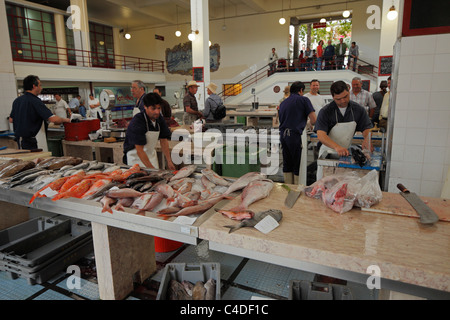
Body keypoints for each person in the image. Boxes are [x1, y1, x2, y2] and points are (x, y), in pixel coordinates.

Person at [314, 80, 373, 179]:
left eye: (345, 97)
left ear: (348, 91)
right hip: (328, 152)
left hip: (346, 153)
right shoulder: (325, 111)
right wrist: (337, 147)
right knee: (325, 185)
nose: (343, 101)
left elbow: (366, 127)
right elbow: (321, 135)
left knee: (343, 184)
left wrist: (367, 139)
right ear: (333, 97)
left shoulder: (358, 109)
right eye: (338, 99)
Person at [9, 75, 70, 150]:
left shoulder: (17, 100)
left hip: (20, 139)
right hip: (28, 139)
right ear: (34, 86)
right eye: (40, 85)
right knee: (31, 159)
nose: (41, 88)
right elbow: (53, 119)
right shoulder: (35, 101)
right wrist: (67, 120)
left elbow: (11, 120)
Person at [123, 92, 175, 170]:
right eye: (153, 108)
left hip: (151, 156)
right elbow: (139, 150)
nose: (157, 112)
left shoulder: (159, 118)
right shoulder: (138, 121)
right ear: (145, 107)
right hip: (135, 158)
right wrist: (152, 170)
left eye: (158, 108)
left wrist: (169, 161)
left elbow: (163, 140)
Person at [278, 81, 316, 185]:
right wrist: (308, 123)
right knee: (298, 164)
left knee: (287, 163)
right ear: (301, 90)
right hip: (295, 136)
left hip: (284, 136)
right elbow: (314, 120)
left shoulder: (283, 102)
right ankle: (297, 189)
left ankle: (288, 187)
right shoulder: (304, 100)